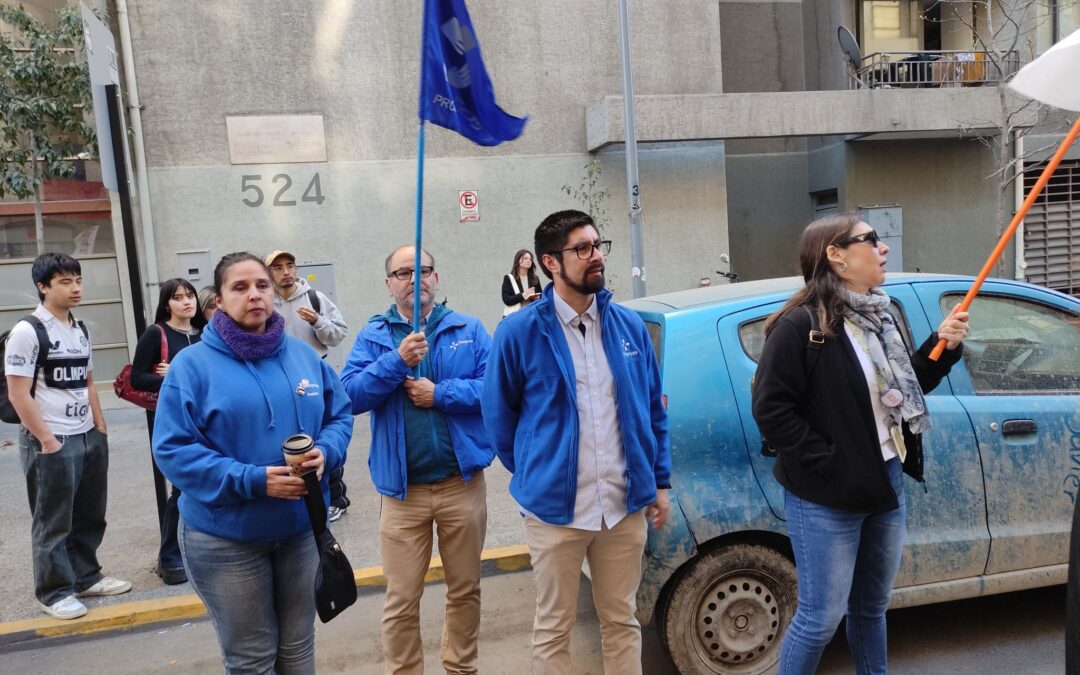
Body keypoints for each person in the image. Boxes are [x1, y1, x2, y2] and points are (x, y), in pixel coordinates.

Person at [750, 213, 970, 674]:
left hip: (886, 480)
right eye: (871, 240)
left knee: (871, 608)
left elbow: (901, 390)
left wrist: (941, 347)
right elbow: (772, 411)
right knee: (818, 618)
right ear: (836, 255)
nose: (883, 248)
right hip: (826, 495)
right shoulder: (797, 327)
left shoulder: (879, 317)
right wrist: (830, 463)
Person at [481, 210, 672, 675]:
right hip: (555, 514)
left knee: (621, 620)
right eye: (581, 249)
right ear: (550, 262)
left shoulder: (627, 327)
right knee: (553, 628)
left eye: (597, 245)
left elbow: (653, 411)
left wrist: (659, 481)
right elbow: (499, 420)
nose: (596, 256)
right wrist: (537, 472)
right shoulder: (519, 332)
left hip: (623, 508)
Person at [152, 252, 353, 674]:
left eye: (261, 285)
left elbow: (339, 415)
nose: (255, 295)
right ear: (219, 301)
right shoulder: (192, 367)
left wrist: (327, 452)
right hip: (225, 540)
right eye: (239, 288)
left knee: (298, 650)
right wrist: (252, 480)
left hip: (301, 532)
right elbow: (173, 449)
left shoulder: (303, 357)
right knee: (252, 659)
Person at [340, 245, 493, 675]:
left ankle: (461, 668)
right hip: (402, 494)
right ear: (388, 283)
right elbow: (349, 396)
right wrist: (396, 361)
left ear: (436, 277)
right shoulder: (373, 337)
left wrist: (439, 394)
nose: (414, 279)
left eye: (422, 270)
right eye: (403, 272)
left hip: (461, 485)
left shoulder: (469, 328)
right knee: (402, 599)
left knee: (465, 590)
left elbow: (496, 391)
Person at [4, 253, 131, 620]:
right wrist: (46, 439)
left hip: (87, 434)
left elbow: (88, 381)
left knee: (91, 513)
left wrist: (100, 425)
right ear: (43, 287)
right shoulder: (28, 332)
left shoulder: (80, 328)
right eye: (65, 281)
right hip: (52, 438)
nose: (76, 288)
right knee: (53, 519)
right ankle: (53, 591)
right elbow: (17, 393)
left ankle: (85, 576)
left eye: (78, 280)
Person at [264, 250, 352, 522]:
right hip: (276, 380)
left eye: (290, 265)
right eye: (278, 268)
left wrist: (317, 320)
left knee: (324, 433)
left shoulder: (315, 298)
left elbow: (338, 334)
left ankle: (336, 498)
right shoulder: (266, 302)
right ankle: (295, 493)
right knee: (289, 439)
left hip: (313, 377)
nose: (286, 271)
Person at [130, 277, 206, 585]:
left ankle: (195, 552)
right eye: (178, 297)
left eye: (190, 296)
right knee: (179, 487)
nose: (187, 301)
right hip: (171, 418)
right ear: (167, 304)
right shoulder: (156, 334)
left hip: (204, 419)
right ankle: (171, 557)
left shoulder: (204, 335)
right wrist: (172, 377)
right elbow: (137, 378)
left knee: (199, 484)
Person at [501, 249, 542, 318]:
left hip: (531, 316)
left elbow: (540, 296)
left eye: (530, 259)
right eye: (525, 258)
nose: (529, 261)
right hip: (515, 317)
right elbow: (506, 300)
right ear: (518, 260)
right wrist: (523, 296)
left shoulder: (534, 278)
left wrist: (536, 297)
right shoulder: (509, 278)